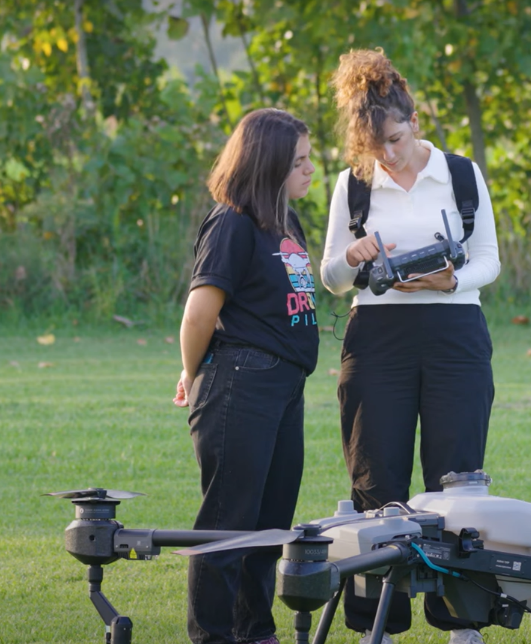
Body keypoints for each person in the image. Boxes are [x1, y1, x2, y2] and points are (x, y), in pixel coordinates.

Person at [320, 49, 500, 644]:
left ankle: (462, 625)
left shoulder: (463, 175)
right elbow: (330, 276)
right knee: (377, 480)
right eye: (375, 148)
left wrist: (451, 280)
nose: (388, 155)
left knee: (458, 479)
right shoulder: (352, 185)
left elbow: (489, 261)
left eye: (395, 139)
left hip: (455, 334)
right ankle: (381, 627)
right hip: (376, 340)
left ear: (414, 121)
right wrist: (353, 255)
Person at [173, 108, 318, 644]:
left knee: (270, 523)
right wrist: (195, 374)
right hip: (240, 382)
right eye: (299, 161)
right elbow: (199, 313)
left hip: (283, 386)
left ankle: (255, 632)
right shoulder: (232, 220)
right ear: (268, 165)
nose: (310, 170)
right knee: (228, 521)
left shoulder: (284, 221)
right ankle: (213, 636)